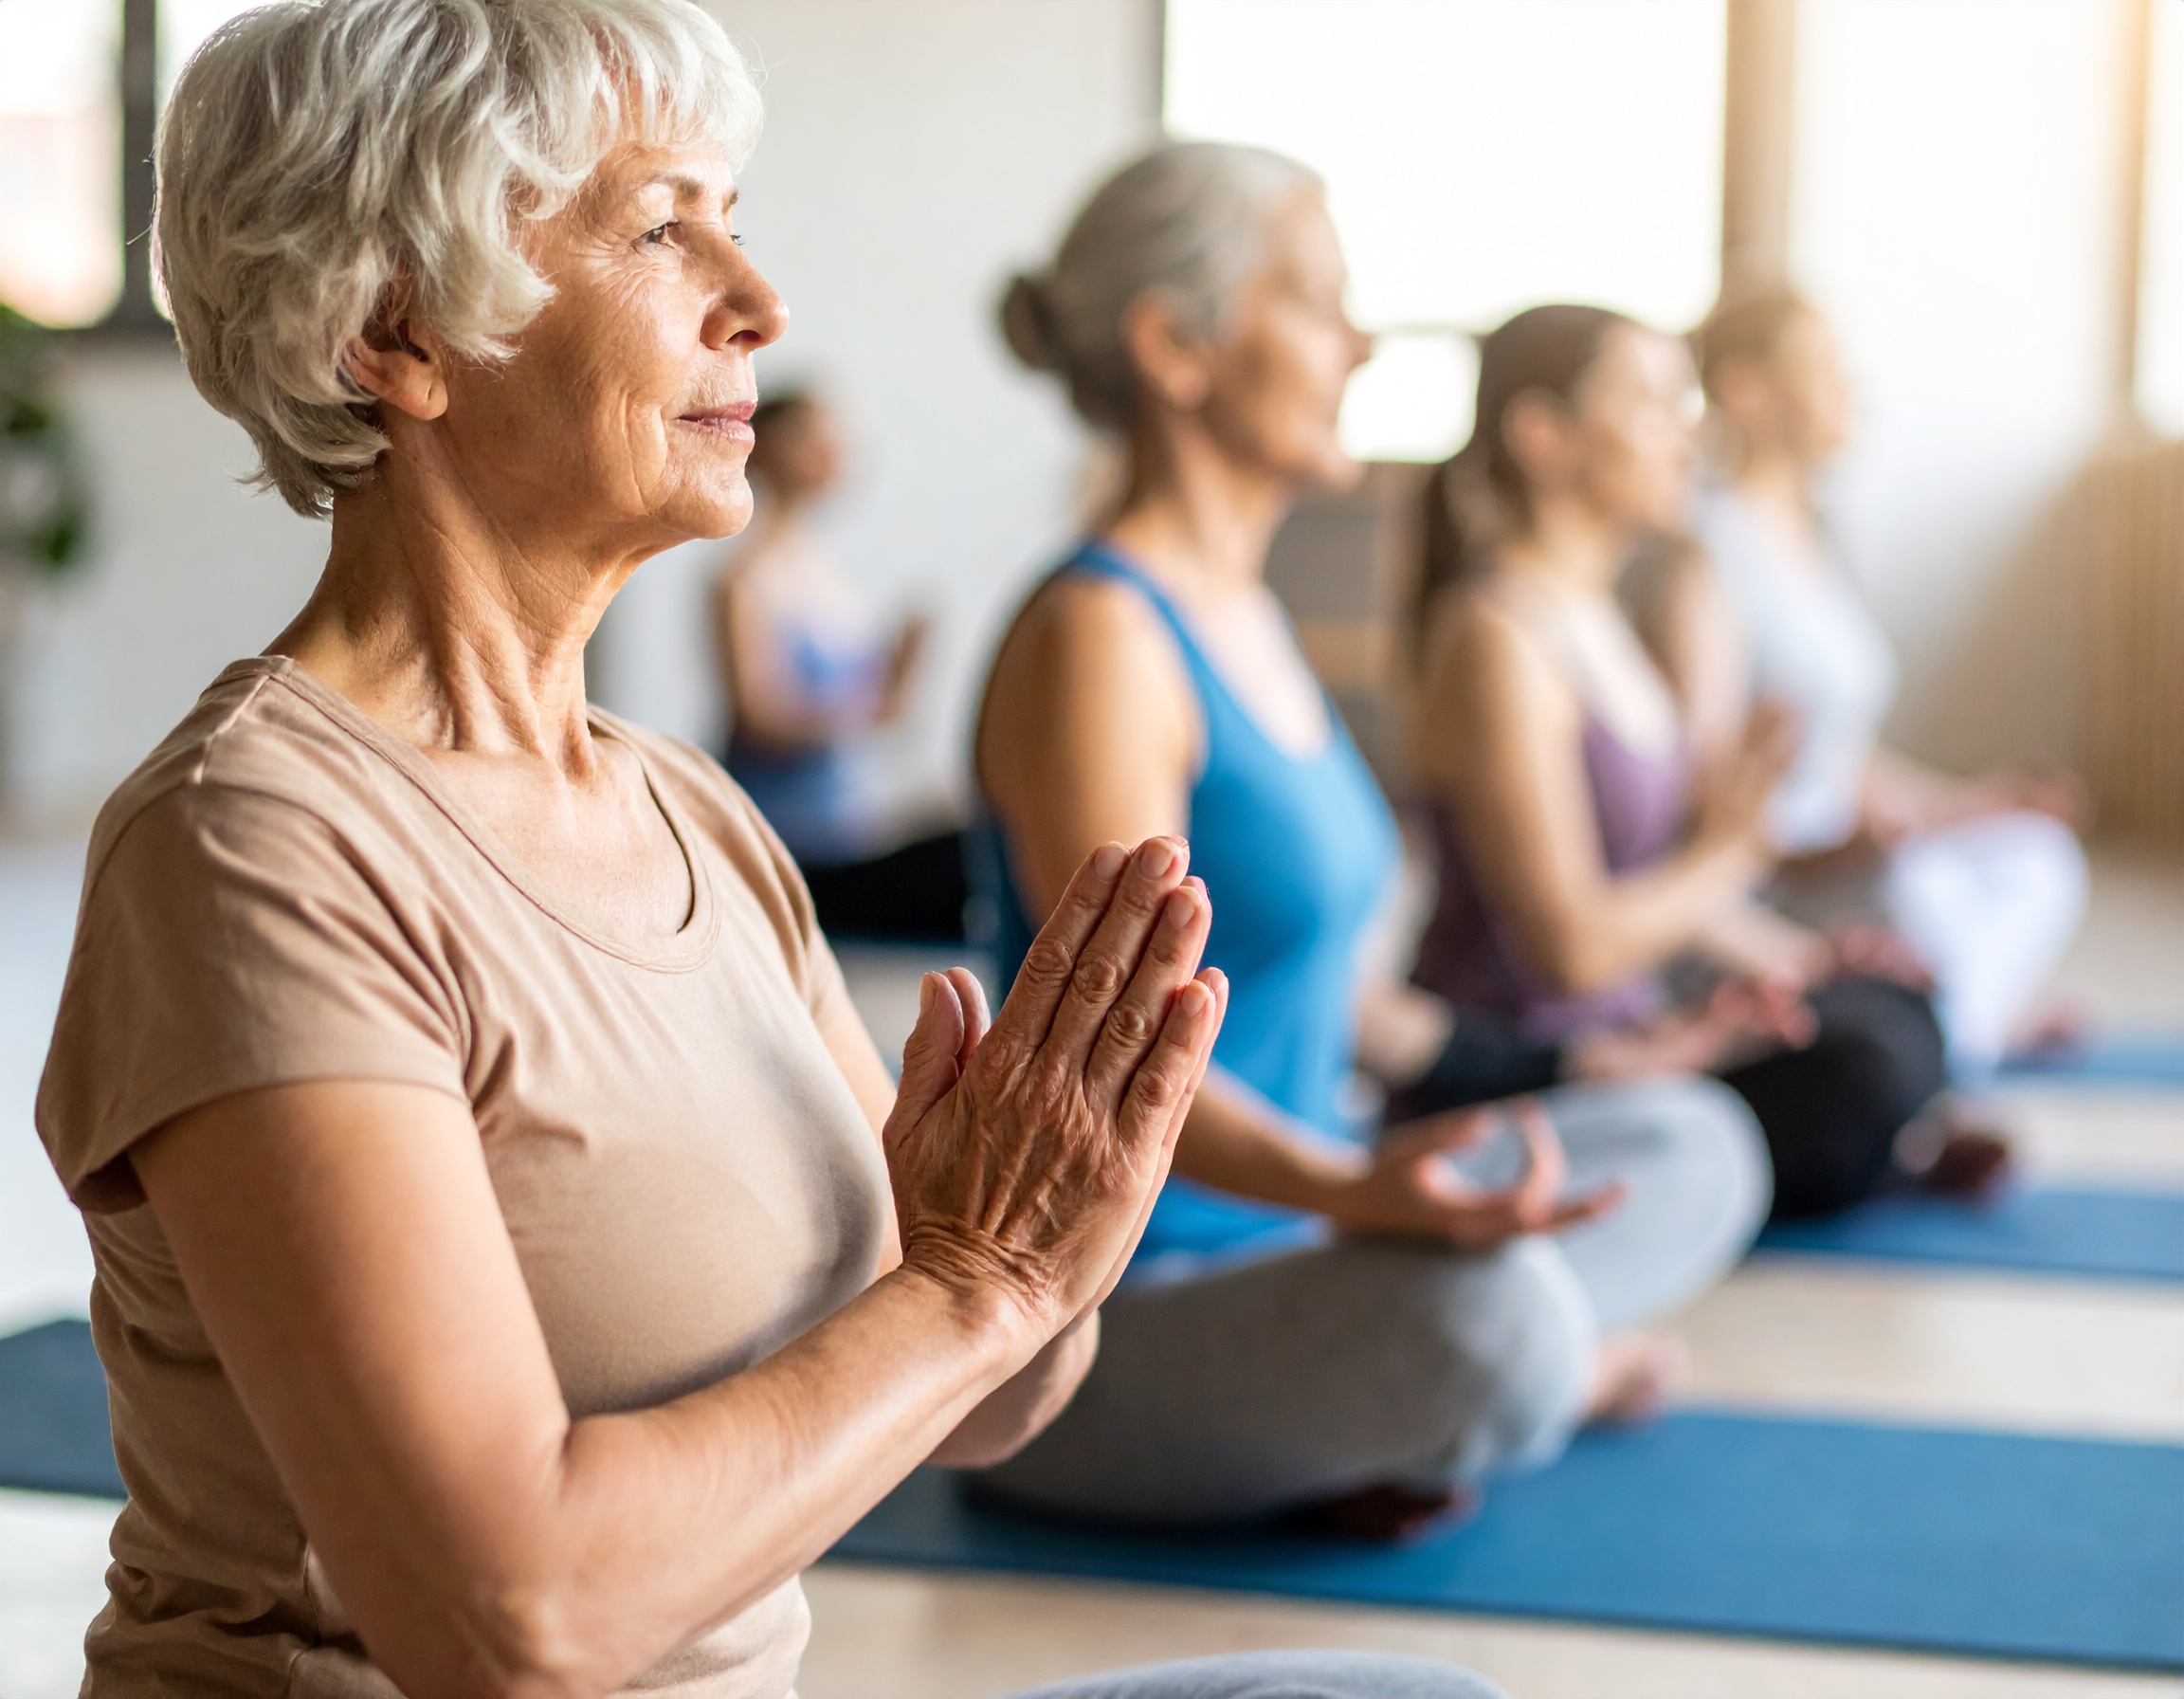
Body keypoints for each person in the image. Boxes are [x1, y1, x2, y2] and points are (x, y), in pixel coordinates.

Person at [30, 8, 1504, 1699]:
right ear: (398, 327)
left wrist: (1052, 1228)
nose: (758, 300)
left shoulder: (695, 818)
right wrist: (973, 1282)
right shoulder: (253, 846)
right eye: (664, 227)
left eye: (735, 217)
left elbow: (987, 1384)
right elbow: (511, 1619)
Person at [972, 142, 1770, 1538]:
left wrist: (1574, 1064)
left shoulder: (1250, 619)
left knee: (1692, 1140)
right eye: (1319, 301)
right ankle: (1495, 1387)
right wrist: (1353, 1191)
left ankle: (1401, 1404)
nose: (1360, 343)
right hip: (1109, 1321)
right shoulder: (1100, 638)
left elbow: (1328, 992)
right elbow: (1113, 1056)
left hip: (1302, 1238)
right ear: (1178, 348)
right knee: (1504, 1320)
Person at [1410, 303, 1979, 1221]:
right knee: (1867, 1068)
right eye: (1652, 404)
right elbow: (1574, 947)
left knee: (1893, 1008)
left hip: (1643, 1034)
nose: (1691, 433)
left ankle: (1871, 1146)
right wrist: (1733, 852)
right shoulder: (1496, 636)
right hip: (1528, 1069)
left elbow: (1662, 882)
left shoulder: (1599, 618)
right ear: (1543, 435)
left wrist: (1804, 958)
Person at [1685, 289, 2089, 1087]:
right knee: (1929, 895)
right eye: (1825, 371)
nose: (1851, 393)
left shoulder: (1816, 536)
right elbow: (1705, 776)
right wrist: (1827, 848)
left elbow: (1846, 758)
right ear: (1747, 390)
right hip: (1785, 867)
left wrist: (1972, 804)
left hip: (1858, 842)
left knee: (2037, 858)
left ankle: (1950, 1039)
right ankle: (1956, 1050)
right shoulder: (1709, 550)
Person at [715, 390, 967, 939]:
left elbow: (876, 714)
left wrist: (899, 673)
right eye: (816, 437)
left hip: (845, 826)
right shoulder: (744, 579)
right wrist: (866, 706)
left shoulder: (823, 574)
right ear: (773, 446)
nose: (836, 452)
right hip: (786, 842)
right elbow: (758, 721)